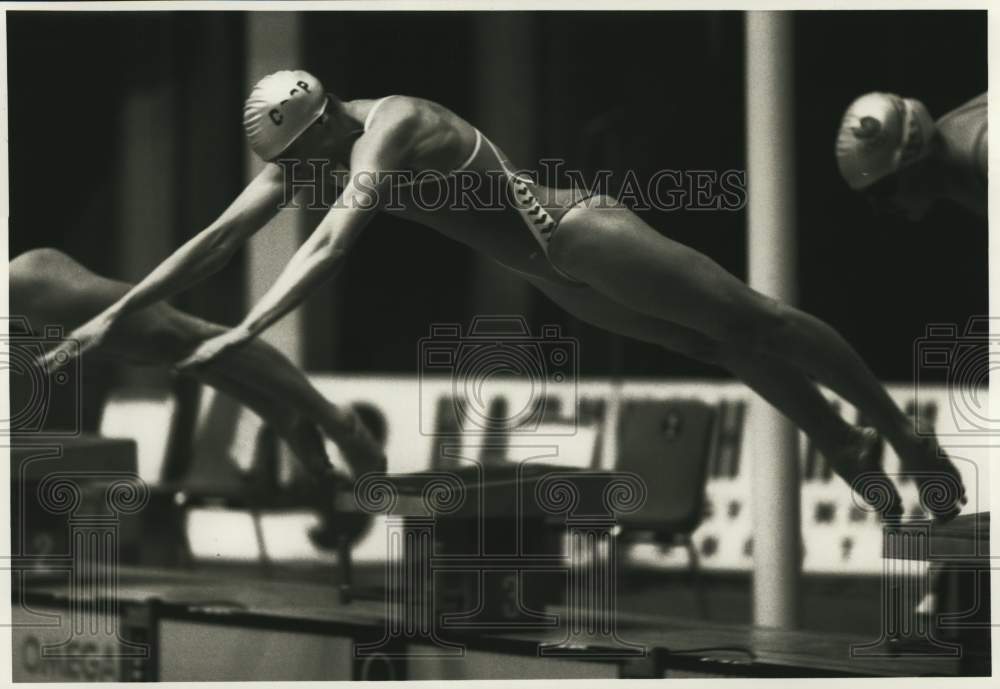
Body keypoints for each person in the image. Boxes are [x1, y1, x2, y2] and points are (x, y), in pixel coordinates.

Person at [42, 70, 967, 521]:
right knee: (720, 348)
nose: (300, 177)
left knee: (753, 320)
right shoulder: (312, 153)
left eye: (302, 158)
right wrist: (106, 320)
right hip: (557, 279)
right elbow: (211, 239)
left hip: (579, 234)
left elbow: (334, 237)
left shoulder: (387, 128)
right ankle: (840, 439)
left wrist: (247, 325)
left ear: (322, 120)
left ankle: (894, 427)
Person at [15, 247, 386, 483]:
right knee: (171, 352)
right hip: (26, 299)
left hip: (30, 286)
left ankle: (336, 421)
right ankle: (284, 414)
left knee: (188, 338)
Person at [836, 91, 987, 219]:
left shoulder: (983, 152)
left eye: (881, 190)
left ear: (912, 159)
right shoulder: (954, 167)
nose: (879, 208)